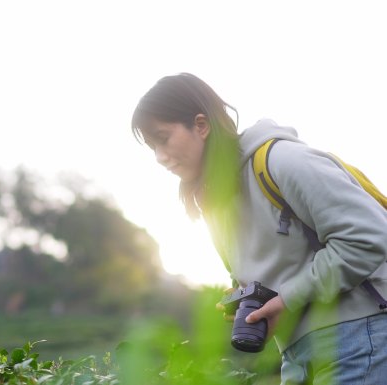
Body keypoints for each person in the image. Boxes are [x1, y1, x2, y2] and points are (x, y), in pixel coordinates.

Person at [130, 72, 387, 384]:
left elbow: (369, 238)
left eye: (163, 138)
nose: (159, 157)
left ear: (201, 125)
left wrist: (288, 299)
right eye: (151, 147)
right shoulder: (217, 202)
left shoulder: (282, 160)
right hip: (297, 355)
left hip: (359, 337)